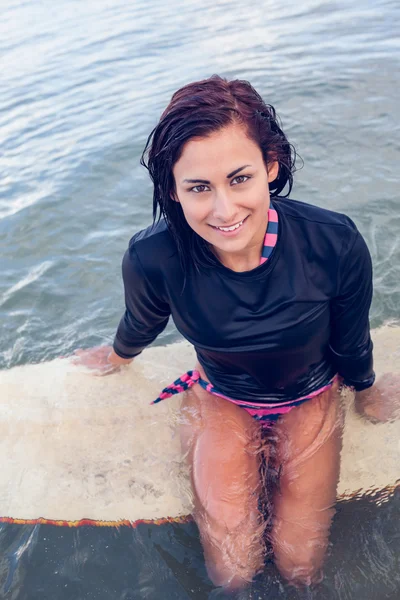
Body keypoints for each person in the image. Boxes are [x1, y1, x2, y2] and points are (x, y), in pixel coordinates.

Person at [72, 75, 397, 590]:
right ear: (173, 191)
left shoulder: (333, 242)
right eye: (199, 187)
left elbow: (350, 337)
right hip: (222, 395)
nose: (224, 211)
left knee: (299, 565)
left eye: (239, 178)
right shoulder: (153, 256)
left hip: (311, 394)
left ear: (270, 165)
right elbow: (144, 319)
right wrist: (117, 357)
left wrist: (366, 389)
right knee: (232, 570)